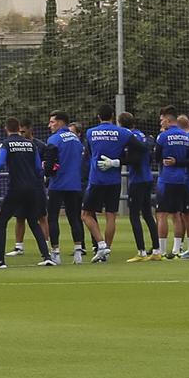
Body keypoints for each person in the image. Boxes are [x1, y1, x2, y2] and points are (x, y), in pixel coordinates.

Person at [0, 118, 52, 268]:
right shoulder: (31, 144)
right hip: (33, 188)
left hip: (16, 188)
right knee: (33, 221)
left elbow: (0, 163)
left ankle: (0, 260)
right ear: (18, 128)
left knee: (2, 222)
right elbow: (38, 168)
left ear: (6, 128)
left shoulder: (6, 144)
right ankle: (47, 256)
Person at [79, 107, 138, 263]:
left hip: (96, 179)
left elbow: (89, 154)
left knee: (85, 214)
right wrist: (119, 161)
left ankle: (101, 244)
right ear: (113, 116)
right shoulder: (124, 133)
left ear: (98, 116)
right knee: (111, 215)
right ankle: (106, 252)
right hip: (114, 179)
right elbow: (139, 150)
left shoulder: (91, 132)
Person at [43, 112, 88, 264]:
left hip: (58, 184)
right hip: (74, 184)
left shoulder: (54, 139)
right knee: (74, 218)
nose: (50, 125)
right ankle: (78, 253)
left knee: (53, 217)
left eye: (52, 122)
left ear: (61, 122)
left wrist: (46, 170)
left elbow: (49, 166)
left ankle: (55, 253)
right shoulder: (76, 139)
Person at [155, 110, 189, 260]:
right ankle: (178, 249)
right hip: (183, 180)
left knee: (161, 215)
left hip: (166, 180)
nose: (161, 122)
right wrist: (179, 162)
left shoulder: (163, 136)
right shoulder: (187, 137)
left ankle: (161, 250)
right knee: (179, 215)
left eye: (162, 120)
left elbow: (156, 157)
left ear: (168, 120)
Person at [120, 112, 160, 262]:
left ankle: (141, 252)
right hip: (147, 177)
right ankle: (156, 250)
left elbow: (134, 159)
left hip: (137, 180)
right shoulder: (142, 135)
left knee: (134, 215)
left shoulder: (129, 137)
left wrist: (119, 161)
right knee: (148, 214)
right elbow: (148, 156)